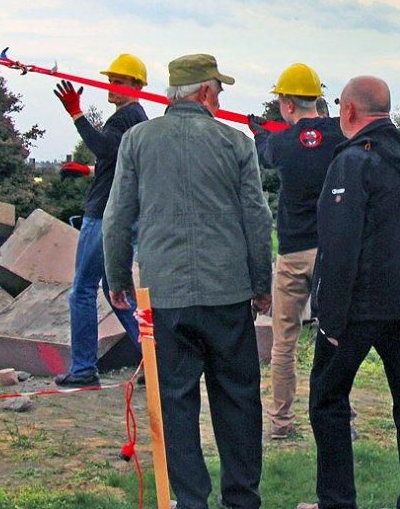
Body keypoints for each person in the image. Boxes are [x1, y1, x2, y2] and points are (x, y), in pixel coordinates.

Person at [105, 53, 273, 509]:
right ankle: (241, 499)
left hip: (165, 295)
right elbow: (256, 218)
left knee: (175, 403)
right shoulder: (236, 143)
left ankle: (191, 500)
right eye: (218, 90)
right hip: (227, 293)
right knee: (238, 400)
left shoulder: (137, 141)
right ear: (203, 92)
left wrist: (117, 275)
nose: (220, 99)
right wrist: (262, 283)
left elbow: (117, 215)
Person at [301, 76, 400, 509]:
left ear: (347, 111)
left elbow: (340, 243)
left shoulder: (353, 161)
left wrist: (331, 315)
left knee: (327, 401)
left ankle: (336, 500)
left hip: (360, 304)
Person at [247, 63, 346, 440]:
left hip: (291, 252)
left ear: (287, 104)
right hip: (330, 250)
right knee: (335, 337)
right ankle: (342, 414)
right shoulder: (338, 133)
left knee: (283, 342)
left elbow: (265, 153)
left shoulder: (283, 141)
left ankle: (281, 421)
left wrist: (257, 131)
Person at [52, 54, 149, 387]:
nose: (112, 86)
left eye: (119, 81)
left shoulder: (126, 117)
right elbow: (119, 165)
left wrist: (76, 114)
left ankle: (83, 369)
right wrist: (89, 171)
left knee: (82, 290)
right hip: (122, 214)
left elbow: (106, 149)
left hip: (104, 215)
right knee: (115, 291)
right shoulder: (139, 119)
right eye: (111, 80)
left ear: (137, 86)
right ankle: (153, 359)